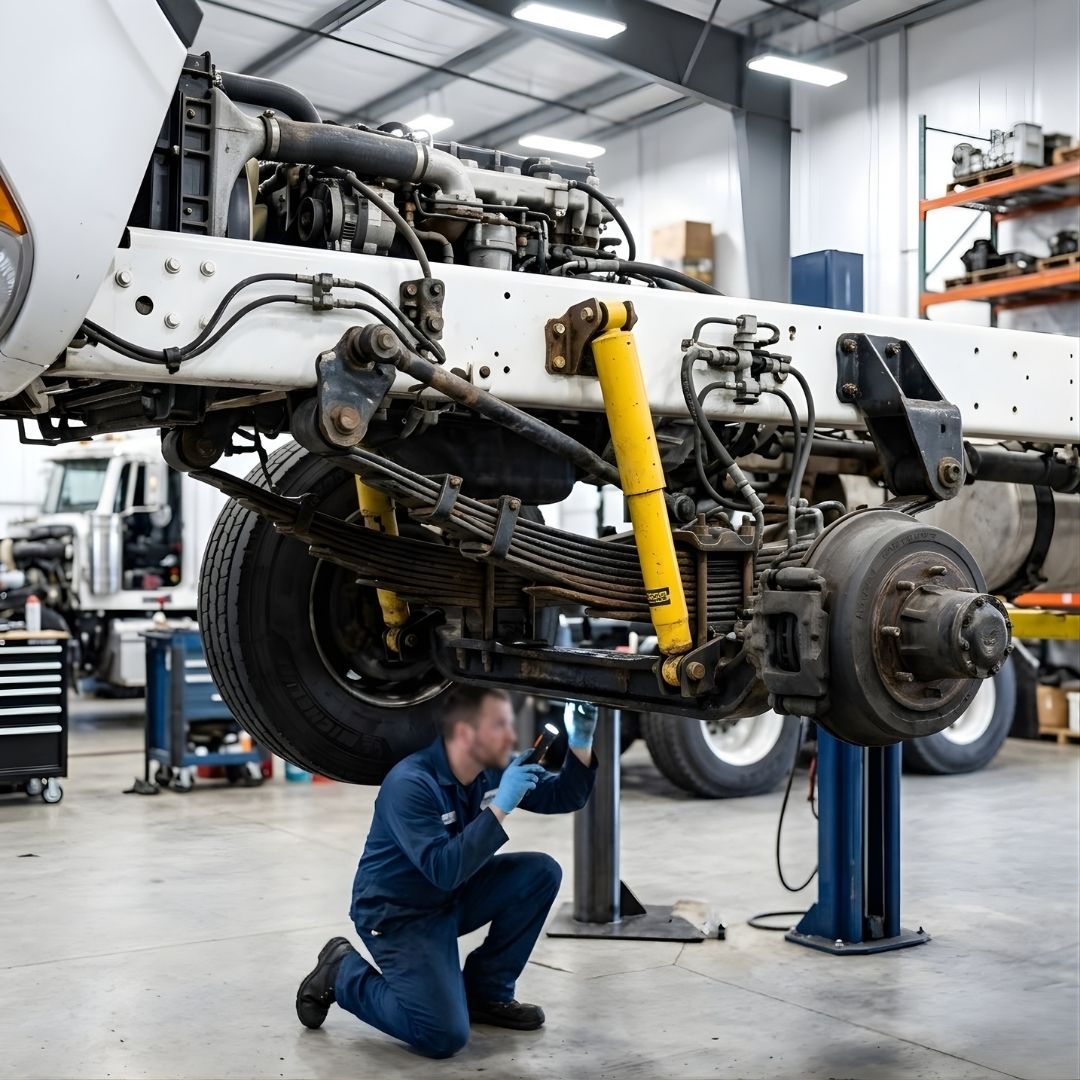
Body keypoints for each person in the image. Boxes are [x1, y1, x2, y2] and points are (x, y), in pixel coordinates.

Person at [295, 686, 598, 1058]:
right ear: (466, 733)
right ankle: (342, 973)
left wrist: (581, 742)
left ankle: (487, 994)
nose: (512, 736)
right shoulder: (411, 784)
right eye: (500, 725)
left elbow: (563, 797)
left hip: (451, 896)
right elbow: (443, 869)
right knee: (443, 1035)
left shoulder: (491, 770)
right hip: (399, 915)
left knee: (540, 873)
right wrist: (501, 805)